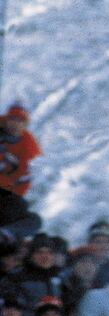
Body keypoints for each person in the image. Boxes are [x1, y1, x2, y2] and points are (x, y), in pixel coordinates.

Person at [0, 103, 43, 243]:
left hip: (7, 194)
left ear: (25, 126)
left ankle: (6, 232)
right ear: (6, 120)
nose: (15, 124)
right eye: (12, 119)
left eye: (20, 121)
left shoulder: (29, 147)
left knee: (33, 219)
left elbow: (24, 180)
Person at [3, 234, 62, 316]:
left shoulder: (58, 278)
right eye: (40, 252)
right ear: (31, 255)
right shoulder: (16, 277)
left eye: (50, 252)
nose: (45, 256)